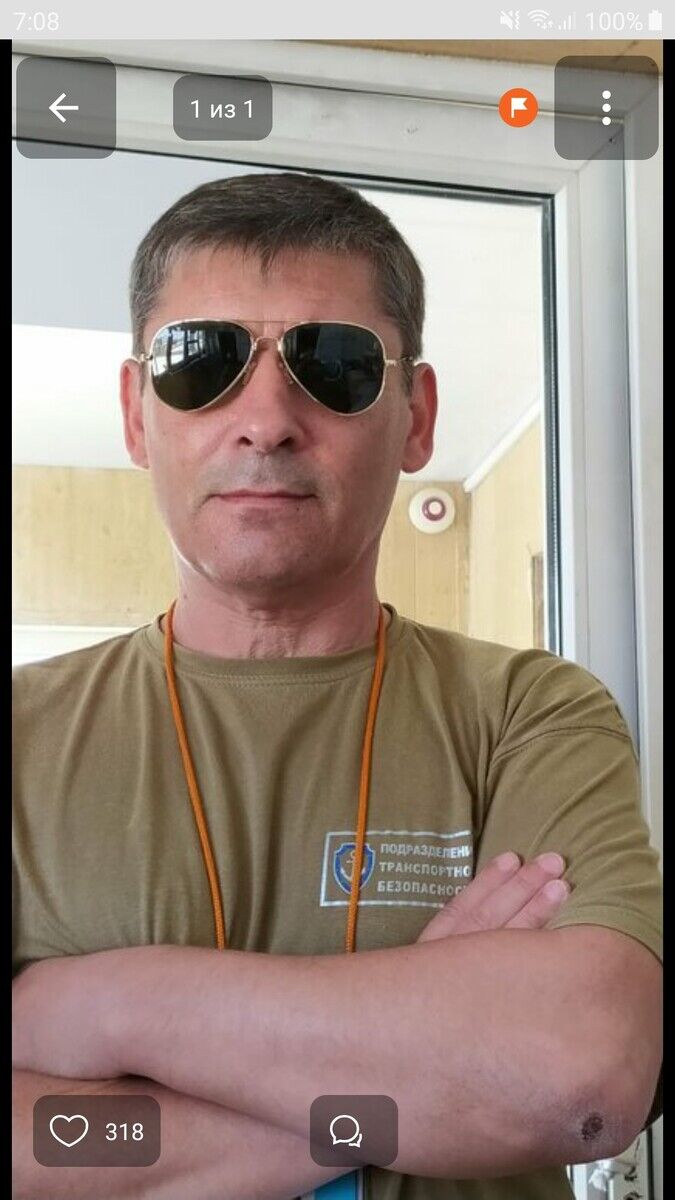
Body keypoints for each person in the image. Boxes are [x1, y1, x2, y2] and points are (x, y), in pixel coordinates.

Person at [12, 172, 662, 1200]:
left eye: (334, 363)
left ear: (416, 417)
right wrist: (435, 1075)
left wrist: (106, 1009)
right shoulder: (22, 735)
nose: (265, 420)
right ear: (137, 414)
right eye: (201, 361)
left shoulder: (530, 714)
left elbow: (575, 1078)